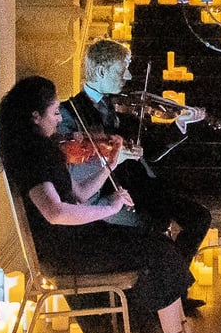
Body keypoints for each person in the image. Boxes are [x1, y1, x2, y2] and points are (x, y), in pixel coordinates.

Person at [0, 75, 216, 333]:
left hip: (78, 239)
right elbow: (55, 213)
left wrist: (110, 166)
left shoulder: (44, 149)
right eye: (56, 112)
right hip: (66, 249)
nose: (60, 120)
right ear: (35, 116)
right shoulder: (31, 157)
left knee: (159, 243)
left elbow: (76, 194)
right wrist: (107, 209)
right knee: (157, 252)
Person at [58, 39, 212, 315]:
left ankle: (173, 290)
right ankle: (158, 302)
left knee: (199, 217)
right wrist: (113, 157)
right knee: (152, 227)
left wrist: (179, 125)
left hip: (143, 187)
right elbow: (75, 163)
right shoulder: (70, 112)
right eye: (123, 70)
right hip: (106, 195)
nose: (128, 77)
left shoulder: (124, 107)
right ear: (102, 71)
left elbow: (150, 151)